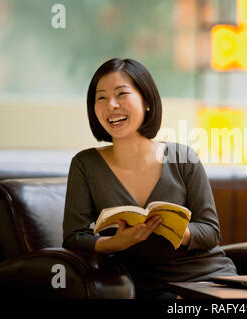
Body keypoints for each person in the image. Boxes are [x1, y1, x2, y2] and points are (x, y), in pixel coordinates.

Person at [62, 58, 237, 298]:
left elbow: (210, 231)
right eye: (100, 97)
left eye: (121, 94)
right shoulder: (85, 164)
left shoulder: (184, 157)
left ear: (146, 101)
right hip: (144, 286)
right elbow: (74, 238)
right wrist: (117, 243)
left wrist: (175, 229)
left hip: (208, 278)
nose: (111, 105)